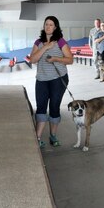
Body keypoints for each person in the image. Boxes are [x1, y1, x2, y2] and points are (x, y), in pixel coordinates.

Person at [29, 16, 73, 149]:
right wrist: (45, 47)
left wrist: (55, 58)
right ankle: (37, 138)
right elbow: (33, 59)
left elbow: (70, 59)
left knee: (54, 106)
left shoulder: (60, 41)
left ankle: (53, 136)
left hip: (58, 79)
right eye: (46, 24)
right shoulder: (38, 42)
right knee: (41, 108)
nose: (48, 27)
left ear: (55, 27)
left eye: (51, 25)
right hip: (42, 79)